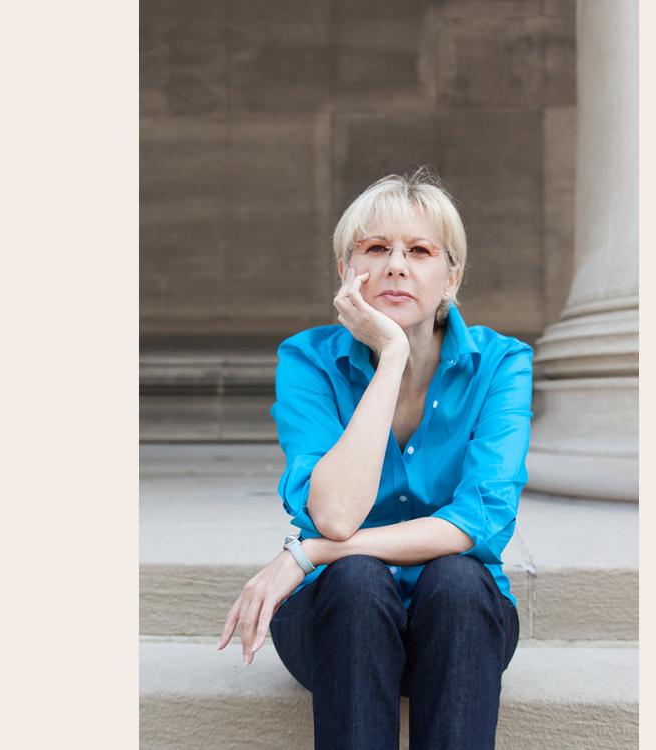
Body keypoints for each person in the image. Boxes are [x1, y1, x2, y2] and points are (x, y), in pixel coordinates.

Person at [217, 167, 534, 750]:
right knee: (359, 580)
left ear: (450, 276)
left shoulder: (501, 364)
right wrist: (390, 354)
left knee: (460, 581)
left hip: (459, 629)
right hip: (339, 622)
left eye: (419, 250)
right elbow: (336, 513)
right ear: (346, 271)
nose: (396, 264)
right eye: (375, 248)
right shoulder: (308, 360)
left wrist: (307, 551)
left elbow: (478, 521)